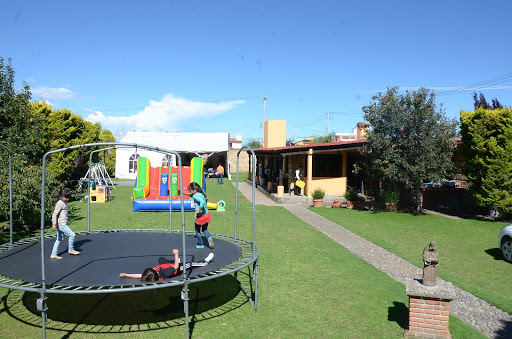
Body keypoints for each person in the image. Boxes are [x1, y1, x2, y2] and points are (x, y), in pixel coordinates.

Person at [119, 249, 214, 281]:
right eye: (154, 269)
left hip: (167, 265)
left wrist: (127, 274)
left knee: (160, 259)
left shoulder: (153, 275)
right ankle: (205, 261)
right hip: (178, 268)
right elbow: (176, 266)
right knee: (191, 264)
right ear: (157, 272)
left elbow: (139, 275)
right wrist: (176, 254)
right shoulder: (167, 273)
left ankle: (172, 261)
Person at [50, 188, 80, 259]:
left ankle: (54, 254)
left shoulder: (63, 203)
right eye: (65, 197)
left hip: (62, 224)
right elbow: (54, 214)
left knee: (59, 239)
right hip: (61, 224)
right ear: (60, 197)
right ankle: (71, 249)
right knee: (72, 235)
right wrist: (54, 224)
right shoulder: (60, 203)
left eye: (68, 198)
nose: (67, 199)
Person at [187, 182, 214, 249]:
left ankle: (200, 244)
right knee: (204, 229)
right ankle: (209, 237)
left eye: (190, 190)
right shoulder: (202, 193)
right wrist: (188, 194)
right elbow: (198, 197)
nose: (190, 191)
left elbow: (202, 202)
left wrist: (199, 209)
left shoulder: (196, 196)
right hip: (206, 214)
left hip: (200, 216)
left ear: (194, 189)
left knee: (197, 230)